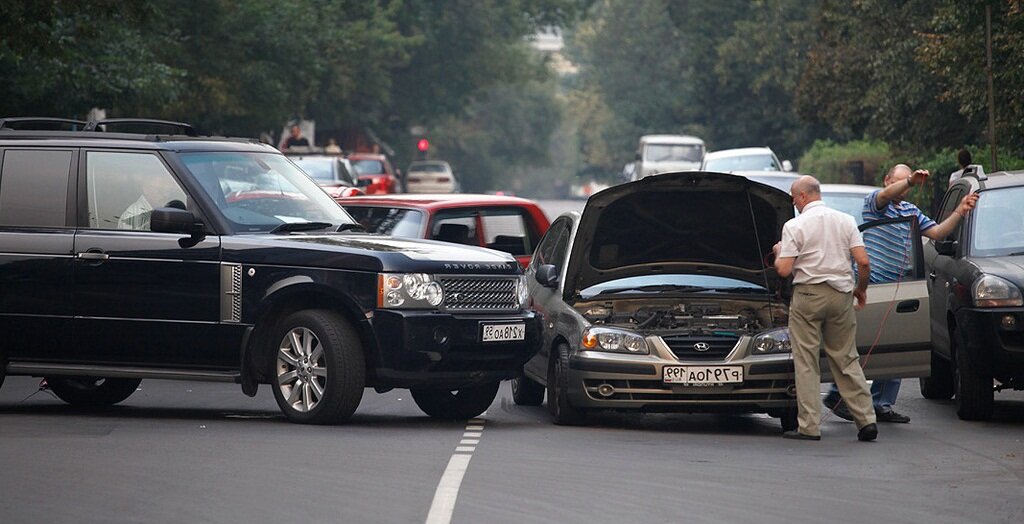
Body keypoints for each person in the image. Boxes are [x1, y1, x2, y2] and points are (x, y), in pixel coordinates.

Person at [824, 163, 979, 423]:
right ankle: (837, 395)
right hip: (870, 284)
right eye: (899, 182)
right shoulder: (875, 204)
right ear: (887, 181)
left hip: (899, 286)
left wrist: (960, 212)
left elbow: (938, 232)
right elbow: (886, 196)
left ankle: (881, 403)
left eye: (908, 185)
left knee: (894, 343)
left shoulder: (910, 210)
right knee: (859, 343)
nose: (905, 188)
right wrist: (909, 180)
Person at [774, 175, 878, 441]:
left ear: (803, 196)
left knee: (807, 362)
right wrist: (861, 289)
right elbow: (863, 262)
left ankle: (809, 427)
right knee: (846, 358)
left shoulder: (794, 226)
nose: (794, 203)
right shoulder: (846, 221)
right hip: (841, 295)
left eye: (794, 197)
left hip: (808, 296)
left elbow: (784, 270)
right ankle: (866, 420)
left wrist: (779, 252)